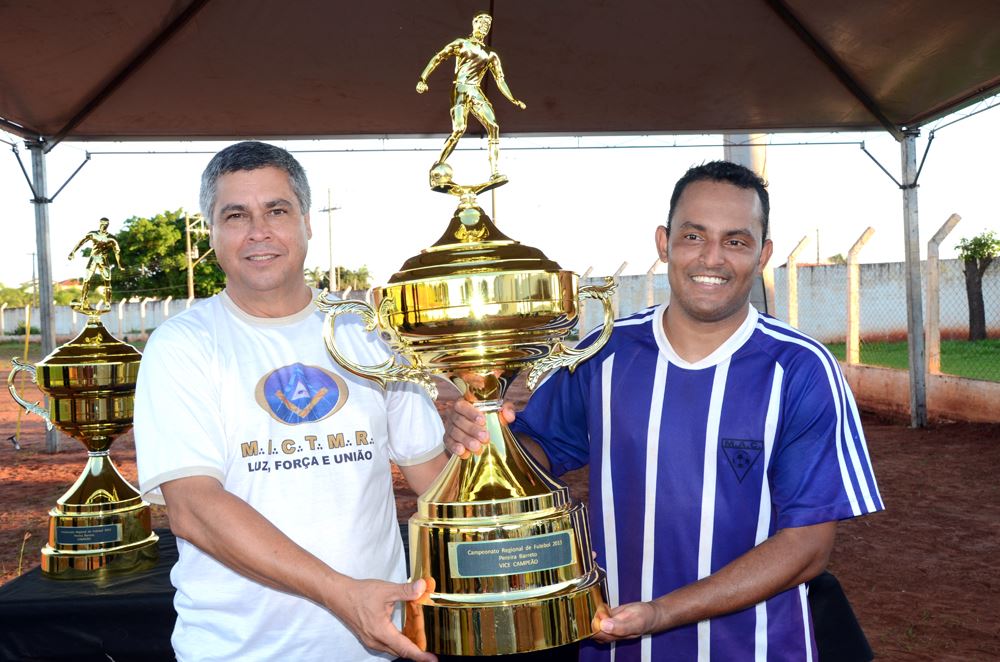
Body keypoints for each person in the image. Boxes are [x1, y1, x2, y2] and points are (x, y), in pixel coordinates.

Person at [445, 161, 884, 661]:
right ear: (664, 242)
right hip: (616, 646)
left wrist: (661, 612)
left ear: (762, 255)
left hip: (756, 648)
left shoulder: (801, 369)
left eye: (736, 241)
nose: (712, 258)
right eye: (694, 236)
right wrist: (482, 436)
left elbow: (808, 547)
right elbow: (536, 450)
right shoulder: (604, 353)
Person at [134, 141, 446, 662]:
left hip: (378, 646)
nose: (259, 231)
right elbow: (193, 509)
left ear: (306, 222)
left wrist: (486, 429)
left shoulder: (368, 333)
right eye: (236, 215)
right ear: (210, 233)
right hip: (240, 652)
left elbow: (435, 480)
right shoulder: (183, 345)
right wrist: (341, 593)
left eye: (276, 211)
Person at [416, 12, 526, 180]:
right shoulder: (461, 44)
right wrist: (422, 78)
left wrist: (513, 99)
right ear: (474, 23)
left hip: (475, 91)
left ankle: (495, 172)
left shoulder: (491, 54)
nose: (484, 26)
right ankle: (438, 163)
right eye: (481, 23)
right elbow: (438, 58)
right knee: (459, 129)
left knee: (494, 127)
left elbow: (500, 80)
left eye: (487, 25)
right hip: (460, 89)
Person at [68, 216, 121, 307]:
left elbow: (117, 252)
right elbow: (81, 242)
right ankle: (83, 300)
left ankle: (107, 302)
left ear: (108, 225)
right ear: (99, 223)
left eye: (105, 224)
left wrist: (120, 264)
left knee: (107, 280)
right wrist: (73, 252)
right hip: (93, 259)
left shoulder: (111, 238)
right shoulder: (93, 234)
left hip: (103, 260)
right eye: (102, 223)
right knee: (87, 279)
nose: (103, 225)